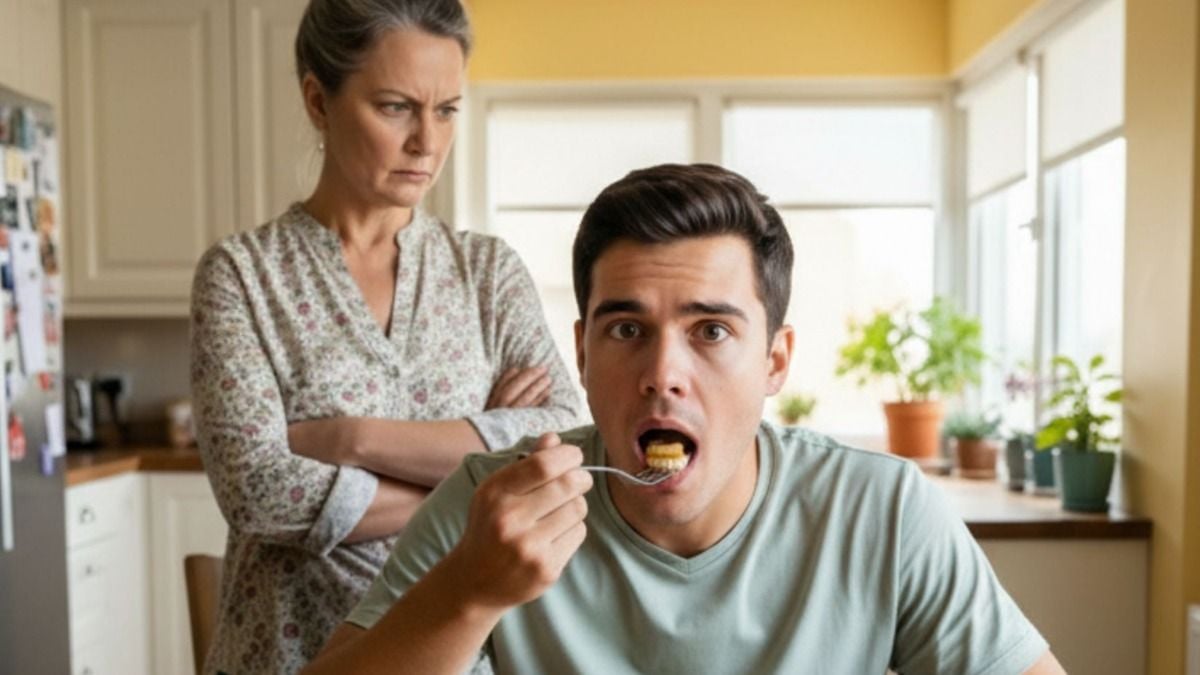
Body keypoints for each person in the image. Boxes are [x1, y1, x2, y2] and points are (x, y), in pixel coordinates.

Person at [303, 164, 1066, 674]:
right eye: (626, 330)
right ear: (582, 351)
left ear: (775, 361)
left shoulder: (883, 512)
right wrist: (466, 592)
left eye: (712, 331)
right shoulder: (489, 507)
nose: (663, 374)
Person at [188, 0, 581, 671]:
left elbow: (559, 435)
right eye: (397, 106)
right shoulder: (243, 275)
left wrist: (348, 438)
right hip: (287, 653)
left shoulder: (486, 272)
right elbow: (259, 489)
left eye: (447, 108)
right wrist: (477, 482)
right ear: (319, 100)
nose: (427, 142)